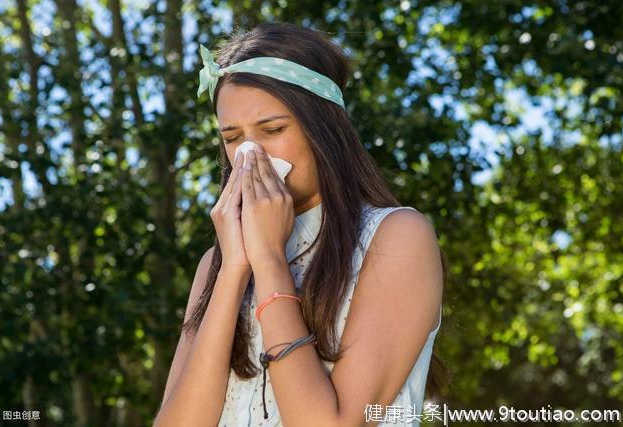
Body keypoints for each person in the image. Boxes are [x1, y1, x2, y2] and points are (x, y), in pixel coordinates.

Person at [154, 21, 444, 427]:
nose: (250, 153)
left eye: (272, 129)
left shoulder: (396, 237)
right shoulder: (217, 263)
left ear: (324, 128)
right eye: (233, 136)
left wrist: (269, 258)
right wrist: (234, 268)